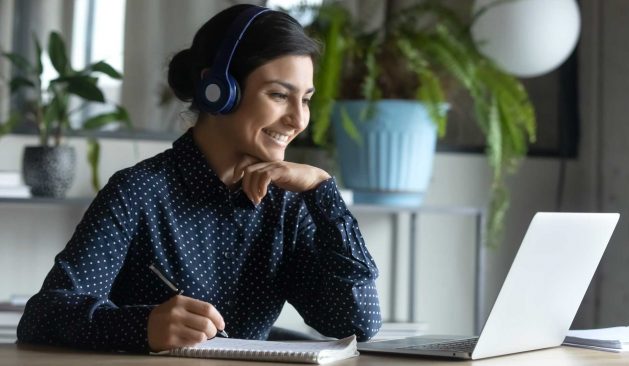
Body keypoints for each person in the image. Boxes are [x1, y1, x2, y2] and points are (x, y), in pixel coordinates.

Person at [16, 4, 381, 353]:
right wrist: (143, 327)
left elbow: (358, 321)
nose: (298, 120)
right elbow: (43, 317)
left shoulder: (288, 205)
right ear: (217, 89)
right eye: (279, 95)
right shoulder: (138, 192)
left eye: (306, 100)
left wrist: (322, 190)